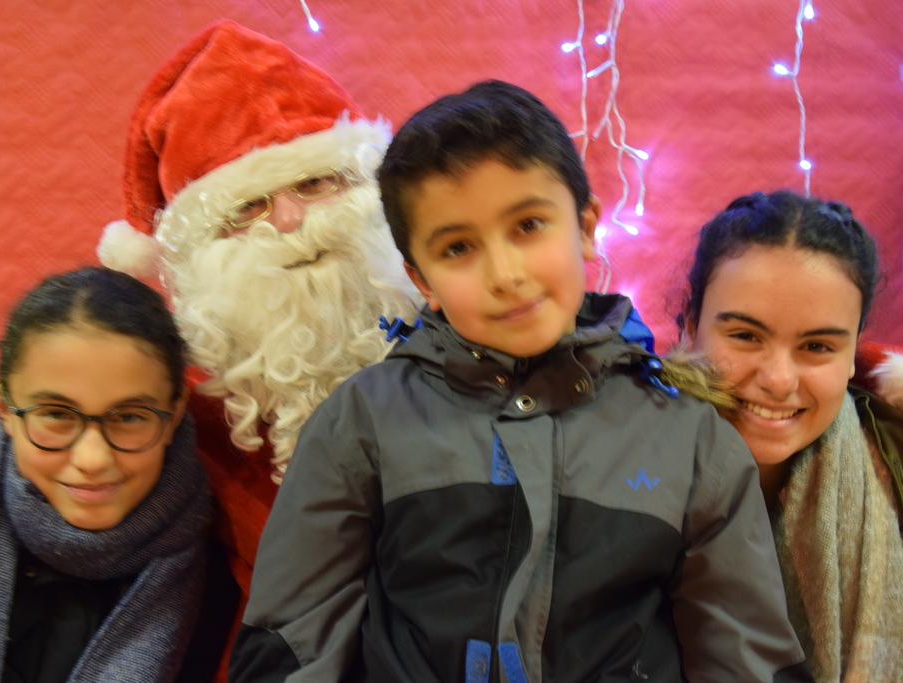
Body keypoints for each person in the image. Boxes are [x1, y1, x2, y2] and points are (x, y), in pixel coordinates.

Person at [230, 80, 811, 681]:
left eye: (529, 225)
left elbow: (747, 659)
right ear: (421, 279)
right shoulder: (362, 420)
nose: (505, 274)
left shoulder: (690, 438)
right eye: (458, 248)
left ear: (585, 226)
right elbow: (292, 639)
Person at [96, 22, 420, 657]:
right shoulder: (181, 410)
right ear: (201, 256)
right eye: (248, 208)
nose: (292, 223)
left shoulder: (468, 351)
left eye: (316, 183)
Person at [0, 266, 230, 682]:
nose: (92, 459)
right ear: (5, 408)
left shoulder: (208, 585)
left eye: (130, 416)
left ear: (174, 414)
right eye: (57, 415)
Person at [680, 190, 903, 681]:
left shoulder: (896, 466)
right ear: (691, 325)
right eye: (745, 336)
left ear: (852, 354)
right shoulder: (610, 466)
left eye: (817, 346)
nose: (779, 380)